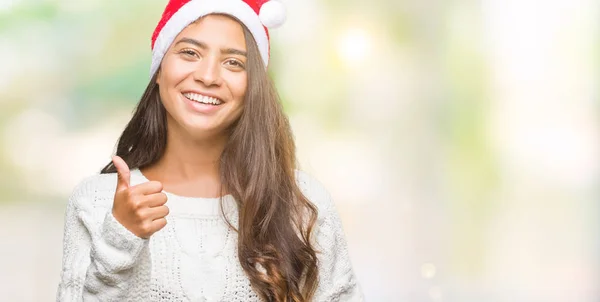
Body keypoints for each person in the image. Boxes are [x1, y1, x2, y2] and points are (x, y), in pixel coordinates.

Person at [56, 0, 363, 301]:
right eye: (190, 53)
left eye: (234, 62)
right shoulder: (96, 202)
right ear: (160, 69)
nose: (208, 76)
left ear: (253, 85)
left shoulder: (302, 204)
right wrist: (120, 239)